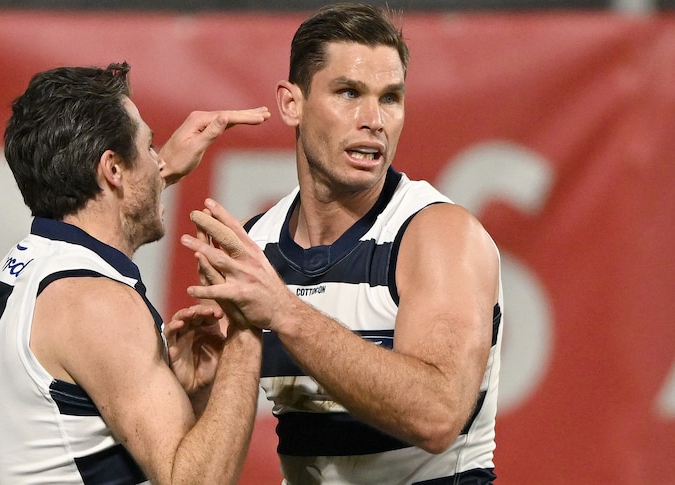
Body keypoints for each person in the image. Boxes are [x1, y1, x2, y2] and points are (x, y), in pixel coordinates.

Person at [178, 3, 504, 484]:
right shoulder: (255, 247)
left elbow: (437, 416)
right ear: (292, 104)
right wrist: (201, 391)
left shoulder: (439, 234)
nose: (373, 119)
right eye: (349, 92)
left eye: (390, 98)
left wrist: (285, 313)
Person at [0, 63, 269, 485]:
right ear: (112, 169)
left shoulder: (28, 263)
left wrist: (185, 394)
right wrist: (247, 329)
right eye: (149, 148)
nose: (158, 162)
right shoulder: (97, 302)